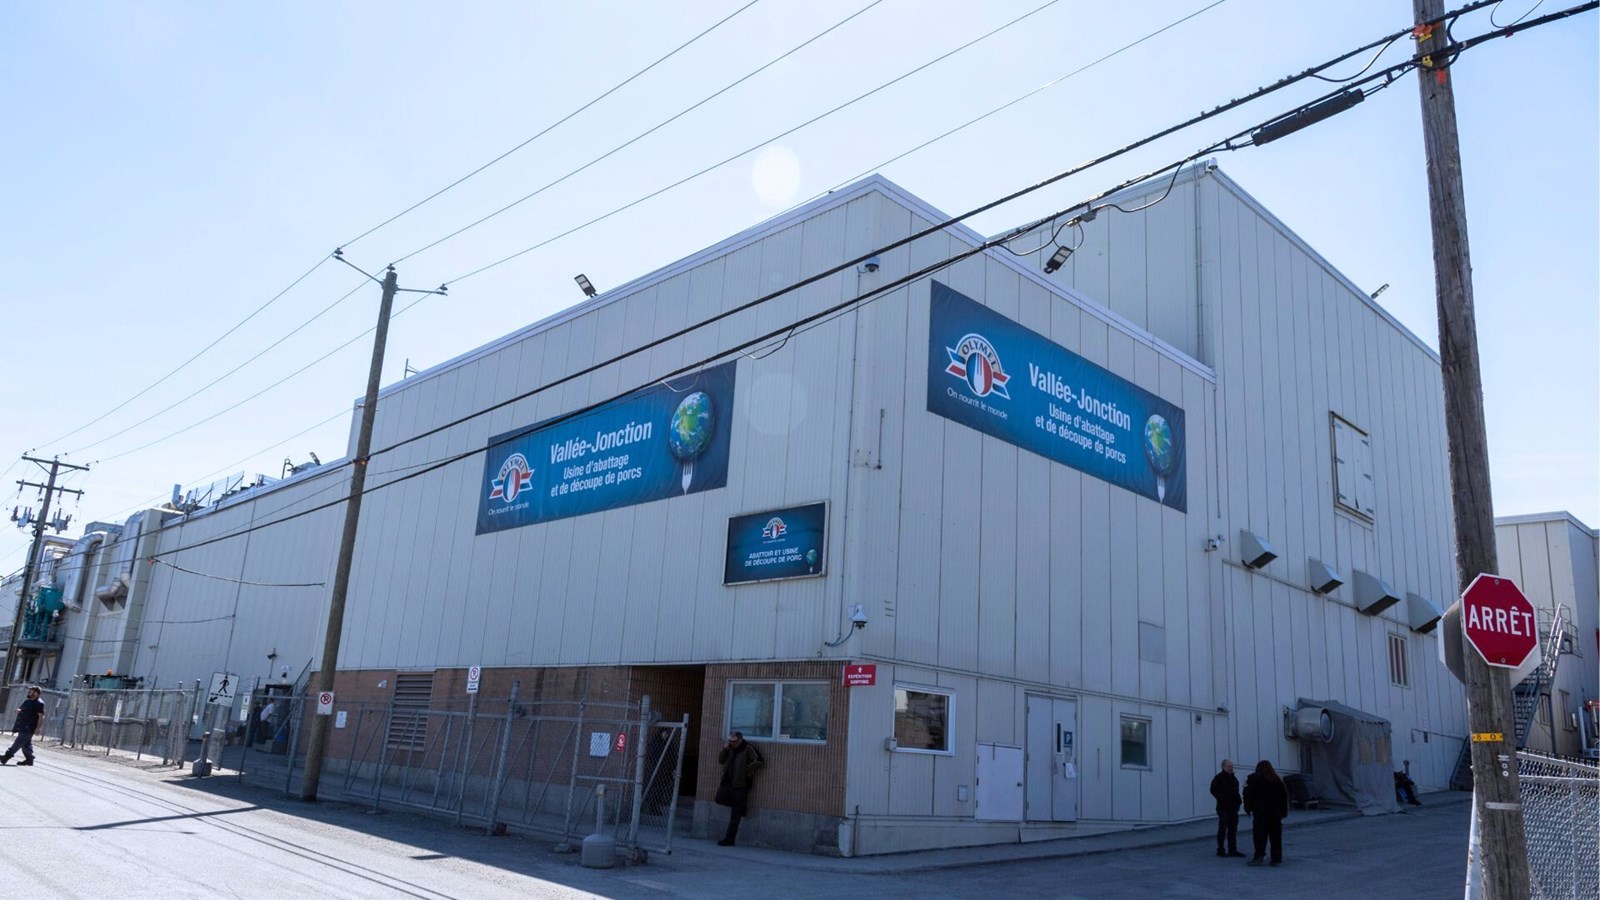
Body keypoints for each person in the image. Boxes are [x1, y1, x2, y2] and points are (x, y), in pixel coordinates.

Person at [715, 730, 764, 846]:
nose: (732, 743)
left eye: (734, 741)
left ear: (740, 740)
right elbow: (721, 760)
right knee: (719, 798)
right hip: (727, 783)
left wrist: (747, 770)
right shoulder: (730, 749)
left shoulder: (747, 748)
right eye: (730, 741)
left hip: (741, 785)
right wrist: (725, 749)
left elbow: (759, 761)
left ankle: (729, 838)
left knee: (735, 815)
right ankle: (740, 807)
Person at [1242, 759, 1289, 866]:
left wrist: (1249, 809)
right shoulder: (1276, 780)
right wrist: (1283, 812)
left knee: (1259, 837)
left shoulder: (1254, 779)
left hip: (1261, 813)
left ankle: (1259, 856)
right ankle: (1276, 859)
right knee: (1275, 837)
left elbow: (1248, 795)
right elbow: (1283, 797)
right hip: (1275, 814)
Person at [1, 686, 46, 766]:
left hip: (30, 727)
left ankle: (6, 757)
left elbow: (41, 716)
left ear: (37, 694)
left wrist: (38, 728)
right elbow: (22, 709)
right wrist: (19, 710)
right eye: (30, 691)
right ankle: (29, 759)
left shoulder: (39, 703)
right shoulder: (27, 701)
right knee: (26, 744)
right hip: (22, 725)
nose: (30, 693)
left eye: (32, 692)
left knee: (19, 742)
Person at [1209, 758, 1245, 857]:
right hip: (1223, 808)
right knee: (1223, 828)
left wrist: (1239, 801)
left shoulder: (1234, 779)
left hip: (1233, 808)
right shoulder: (1219, 778)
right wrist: (1222, 798)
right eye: (1229, 766)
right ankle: (1220, 850)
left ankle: (1232, 849)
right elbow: (1213, 790)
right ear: (1223, 767)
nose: (1231, 768)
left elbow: (1236, 791)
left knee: (1233, 829)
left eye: (1232, 766)